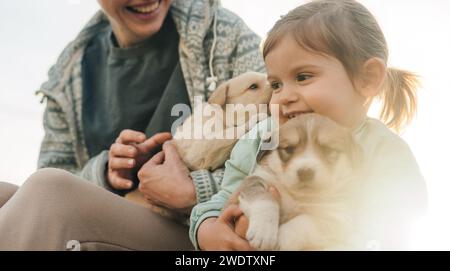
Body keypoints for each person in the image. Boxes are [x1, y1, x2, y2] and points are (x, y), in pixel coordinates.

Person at [0, 0, 264, 250]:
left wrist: (196, 189)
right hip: (122, 210)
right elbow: (54, 168)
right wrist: (106, 174)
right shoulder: (69, 74)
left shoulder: (224, 35)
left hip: (197, 224)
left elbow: (285, 138)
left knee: (49, 190)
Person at [191, 0, 428, 251]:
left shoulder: (386, 153)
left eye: (303, 77)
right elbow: (225, 195)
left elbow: (391, 236)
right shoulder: (263, 136)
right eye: (276, 85)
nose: (284, 96)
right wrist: (207, 227)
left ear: (367, 78)